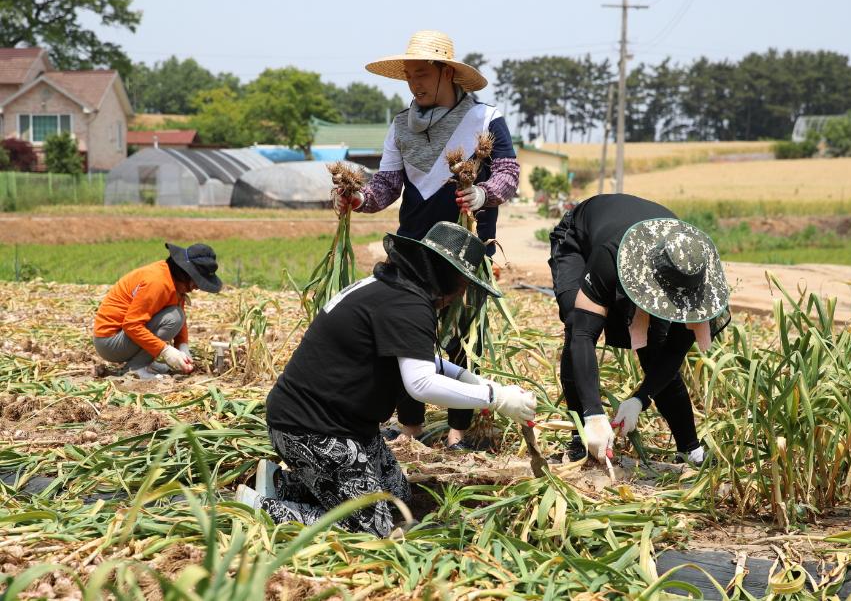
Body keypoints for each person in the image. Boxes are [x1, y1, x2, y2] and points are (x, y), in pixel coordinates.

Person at [237, 222, 537, 537]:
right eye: (462, 284)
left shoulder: (394, 288)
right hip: (312, 429)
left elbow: (411, 355)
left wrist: (470, 378)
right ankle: (260, 507)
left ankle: (281, 485)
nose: (459, 295)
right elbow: (420, 384)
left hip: (342, 425)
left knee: (398, 500)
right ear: (444, 274)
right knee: (373, 528)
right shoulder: (409, 302)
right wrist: (497, 398)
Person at [333, 30, 521, 450]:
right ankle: (411, 426)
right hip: (413, 249)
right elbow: (386, 185)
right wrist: (359, 198)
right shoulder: (401, 125)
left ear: (447, 73)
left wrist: (483, 194)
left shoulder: (485, 119)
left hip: (466, 250)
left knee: (458, 338)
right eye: (409, 77)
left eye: (422, 74)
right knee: (405, 335)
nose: (414, 84)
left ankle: (459, 430)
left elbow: (509, 173)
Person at [548, 194, 730, 465]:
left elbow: (674, 351)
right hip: (581, 237)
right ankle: (581, 436)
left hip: (644, 246)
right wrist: (594, 414)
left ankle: (690, 449)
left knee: (654, 346)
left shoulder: (696, 278)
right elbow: (583, 335)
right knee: (576, 320)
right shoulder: (610, 255)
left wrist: (641, 399)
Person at [93, 243, 222, 379]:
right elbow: (131, 325)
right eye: (197, 281)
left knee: (176, 315)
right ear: (186, 274)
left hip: (122, 338)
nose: (197, 287)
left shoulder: (173, 281)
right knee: (173, 318)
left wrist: (182, 346)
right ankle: (136, 368)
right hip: (110, 343)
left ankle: (146, 363)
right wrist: (165, 350)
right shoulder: (157, 283)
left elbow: (180, 313)